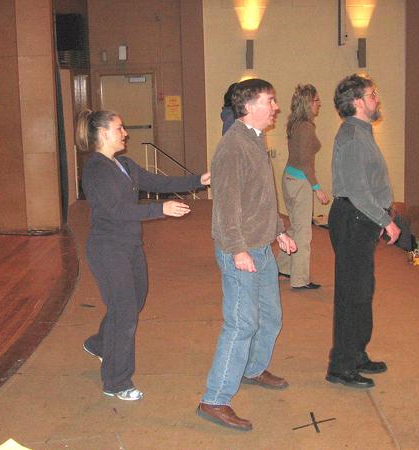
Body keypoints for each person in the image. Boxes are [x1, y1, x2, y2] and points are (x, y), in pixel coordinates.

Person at [76, 109, 210, 401]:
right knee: (125, 313)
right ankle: (116, 381)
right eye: (120, 128)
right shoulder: (96, 169)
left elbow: (158, 183)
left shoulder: (123, 164)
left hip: (129, 246)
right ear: (103, 134)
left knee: (133, 301)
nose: (125, 133)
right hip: (107, 248)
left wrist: (199, 179)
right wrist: (160, 209)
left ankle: (100, 343)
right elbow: (117, 211)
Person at [197, 79, 296, 431]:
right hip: (239, 249)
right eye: (270, 100)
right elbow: (225, 207)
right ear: (250, 106)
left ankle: (253, 369)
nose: (276, 107)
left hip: (261, 244)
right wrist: (237, 249)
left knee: (270, 317)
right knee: (241, 324)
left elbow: (261, 198)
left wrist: (279, 230)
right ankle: (215, 399)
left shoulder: (255, 139)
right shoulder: (232, 147)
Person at [326, 74, 400, 390]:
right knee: (351, 295)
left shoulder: (361, 132)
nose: (376, 98)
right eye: (372, 94)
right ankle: (341, 366)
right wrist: (386, 220)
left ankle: (356, 354)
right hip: (354, 219)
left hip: (360, 220)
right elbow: (358, 191)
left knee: (362, 291)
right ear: (358, 102)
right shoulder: (354, 137)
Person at [276, 84, 329, 290]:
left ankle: (283, 266)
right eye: (317, 100)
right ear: (308, 103)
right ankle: (300, 279)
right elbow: (306, 162)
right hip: (300, 182)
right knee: (304, 232)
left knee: (295, 226)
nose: (319, 104)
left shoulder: (295, 123)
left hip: (290, 177)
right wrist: (317, 188)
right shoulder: (306, 127)